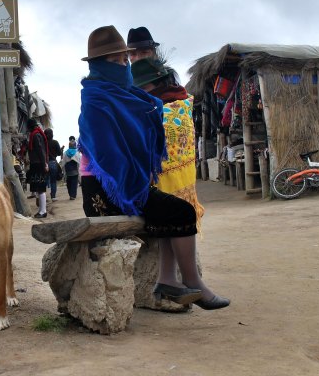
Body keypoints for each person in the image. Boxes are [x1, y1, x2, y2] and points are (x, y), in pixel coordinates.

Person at [78, 25, 228, 310]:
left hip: (124, 183)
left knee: (170, 208)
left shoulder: (126, 96)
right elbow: (108, 155)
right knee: (179, 211)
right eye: (120, 61)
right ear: (101, 65)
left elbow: (140, 133)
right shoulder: (96, 100)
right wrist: (136, 183)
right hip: (104, 189)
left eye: (126, 59)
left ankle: (168, 280)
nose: (126, 65)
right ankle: (190, 283)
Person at [26, 118, 49, 218]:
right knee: (39, 188)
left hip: (38, 164)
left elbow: (41, 151)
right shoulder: (36, 134)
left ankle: (43, 211)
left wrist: (45, 164)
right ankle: (41, 210)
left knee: (40, 188)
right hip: (37, 164)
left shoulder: (35, 135)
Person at [44, 128, 62, 202]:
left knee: (44, 181)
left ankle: (42, 197)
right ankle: (53, 197)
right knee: (53, 181)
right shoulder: (55, 142)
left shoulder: (43, 143)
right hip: (53, 163)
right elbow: (59, 153)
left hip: (44, 163)